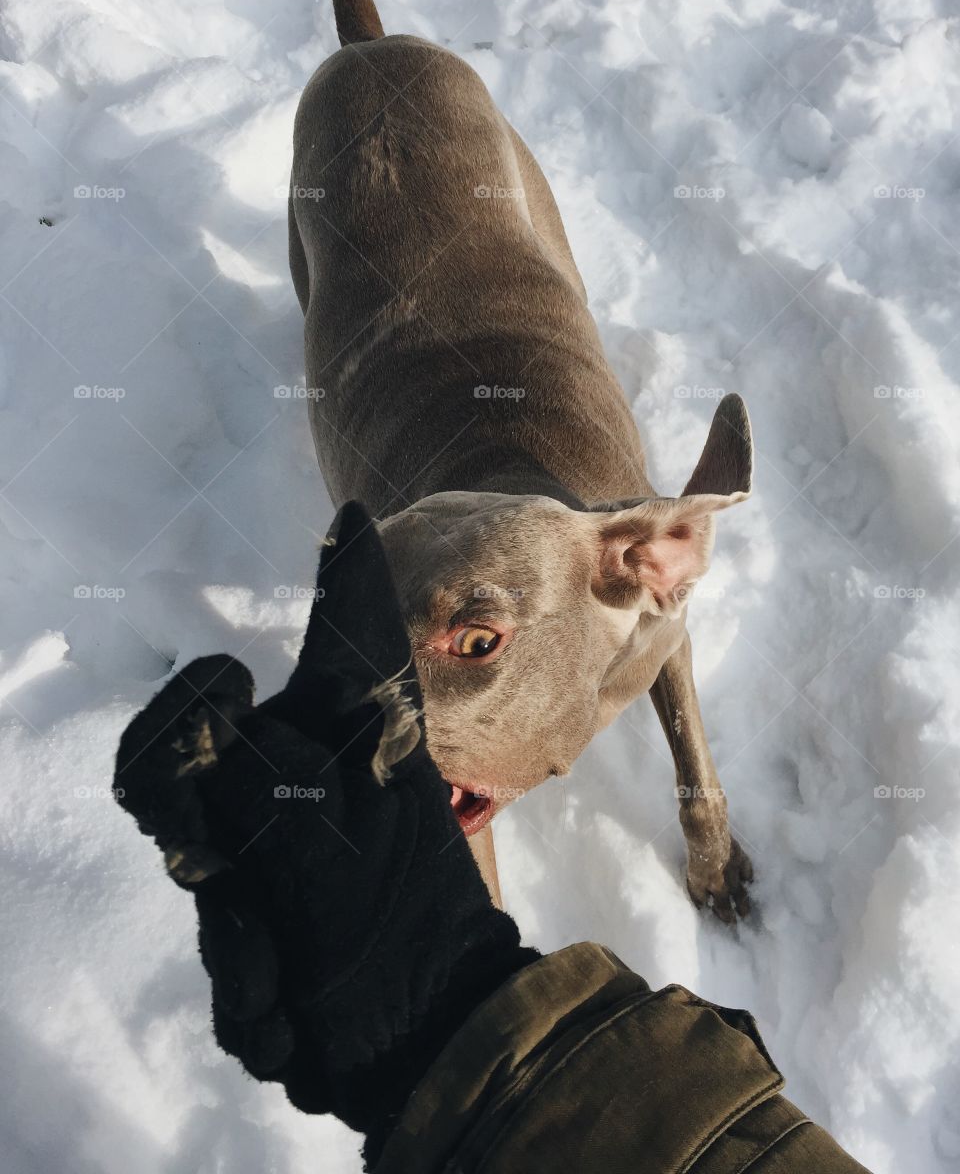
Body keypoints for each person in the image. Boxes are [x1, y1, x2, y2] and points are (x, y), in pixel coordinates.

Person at [115, 502, 871, 1173]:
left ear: (661, 553)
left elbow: (664, 633)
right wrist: (452, 1027)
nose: (412, 731)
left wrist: (441, 1049)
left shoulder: (617, 562)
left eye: (476, 643)